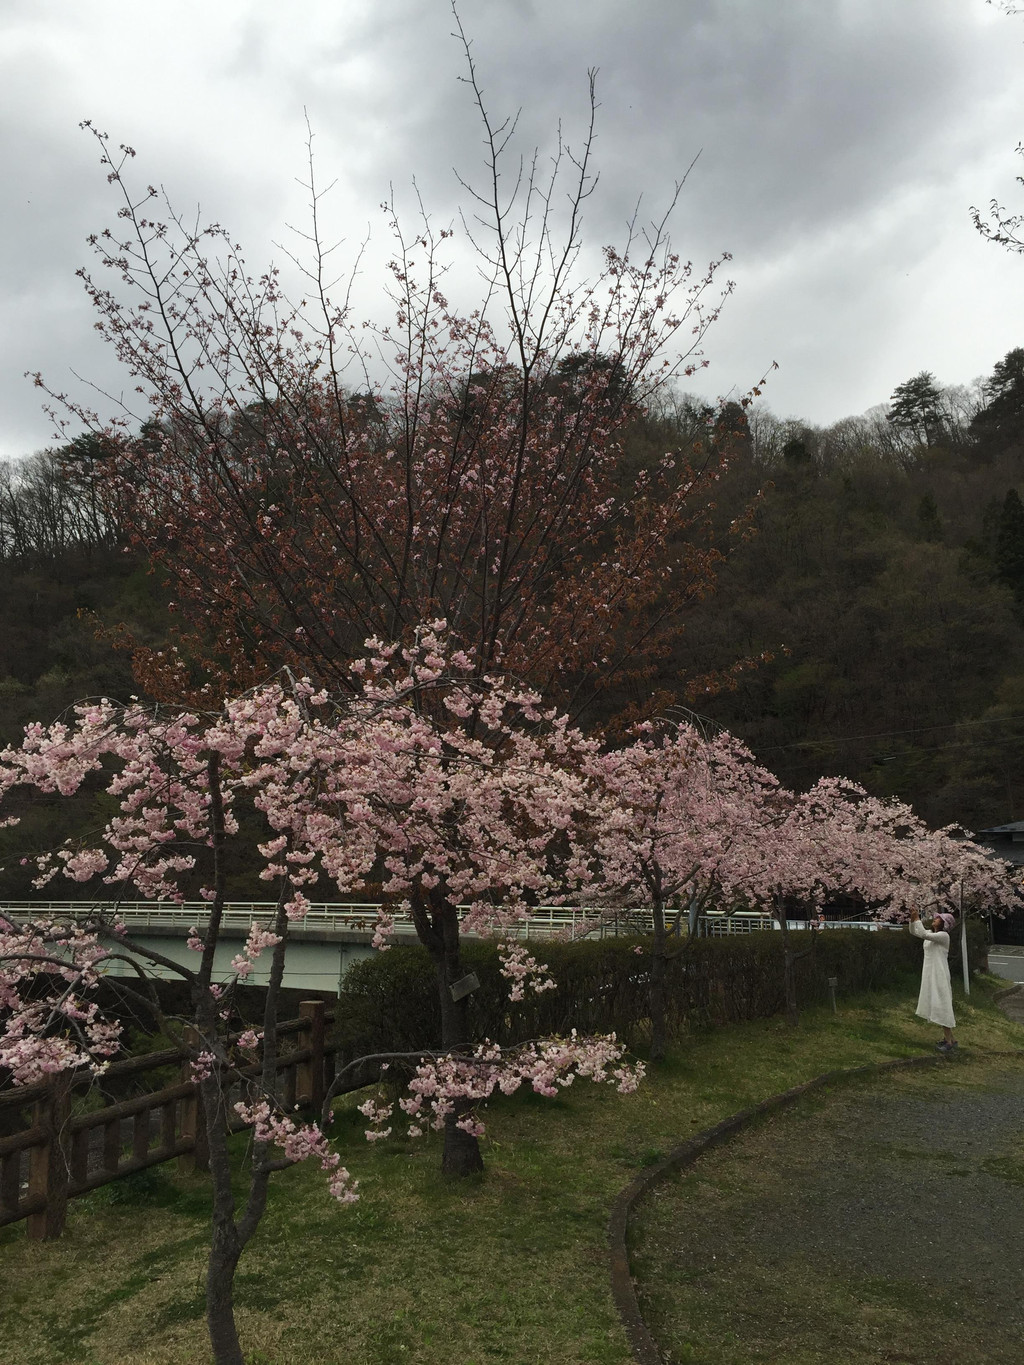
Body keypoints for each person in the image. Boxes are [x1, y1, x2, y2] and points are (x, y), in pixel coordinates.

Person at [909, 908, 957, 1052]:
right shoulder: (931, 934)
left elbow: (922, 932)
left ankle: (948, 1042)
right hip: (930, 972)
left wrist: (917, 918)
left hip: (940, 973)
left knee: (942, 1003)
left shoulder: (944, 936)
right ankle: (952, 1040)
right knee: (937, 1002)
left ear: (944, 924)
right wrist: (912, 920)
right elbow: (915, 932)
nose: (934, 920)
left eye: (938, 919)